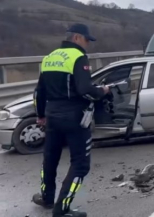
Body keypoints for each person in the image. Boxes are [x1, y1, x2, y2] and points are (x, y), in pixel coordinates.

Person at [32, 23, 109, 217]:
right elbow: (85, 89)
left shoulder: (49, 58)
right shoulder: (78, 57)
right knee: (80, 164)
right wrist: (102, 91)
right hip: (74, 117)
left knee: (50, 159)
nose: (87, 45)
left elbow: (38, 92)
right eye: (86, 40)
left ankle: (47, 198)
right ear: (76, 38)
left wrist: (40, 115)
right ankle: (61, 209)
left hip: (52, 115)